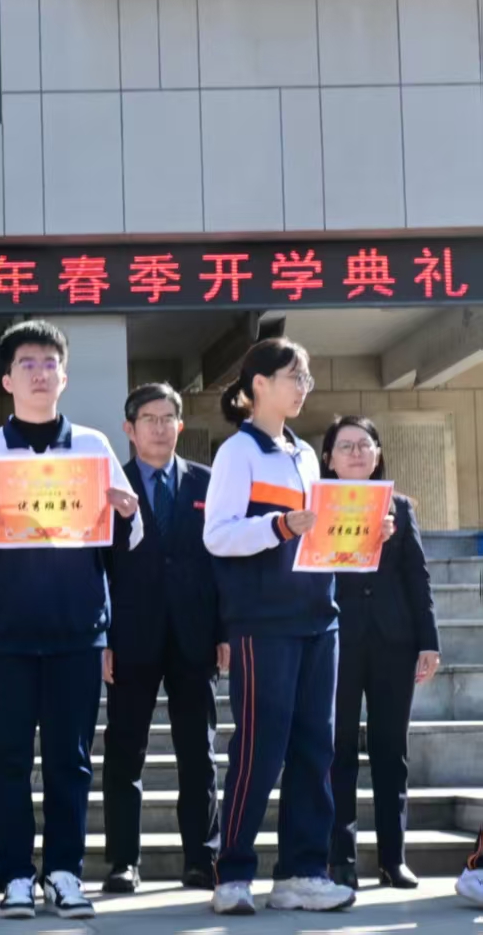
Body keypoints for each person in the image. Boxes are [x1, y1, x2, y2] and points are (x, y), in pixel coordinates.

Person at [0, 320, 142, 922]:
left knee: (71, 759)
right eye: (27, 363)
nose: (40, 373)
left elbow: (132, 536)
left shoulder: (93, 447)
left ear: (64, 377)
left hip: (77, 628)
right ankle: (16, 875)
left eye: (50, 363)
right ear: (7, 379)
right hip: (5, 633)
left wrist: (128, 512)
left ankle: (65, 872)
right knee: (7, 758)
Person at [202, 337, 368, 916]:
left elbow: (318, 537)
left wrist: (364, 535)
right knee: (259, 748)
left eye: (307, 378)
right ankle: (233, 874)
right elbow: (217, 535)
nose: (304, 387)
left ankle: (302, 872)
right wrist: (279, 525)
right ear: (259, 385)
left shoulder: (303, 454)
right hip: (263, 622)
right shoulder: (237, 452)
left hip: (319, 618)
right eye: (294, 376)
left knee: (315, 748)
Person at [100, 383, 223, 894]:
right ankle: (123, 862)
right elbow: (99, 564)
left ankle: (202, 859)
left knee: (198, 752)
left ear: (181, 425)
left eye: (167, 417)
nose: (158, 427)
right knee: (124, 752)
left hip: (196, 636)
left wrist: (225, 631)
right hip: (131, 636)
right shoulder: (110, 485)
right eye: (148, 419)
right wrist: (103, 637)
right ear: (129, 430)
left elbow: (223, 561)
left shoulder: (209, 482)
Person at [320, 415, 438, 890]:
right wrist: (359, 536)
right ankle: (341, 858)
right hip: (337, 639)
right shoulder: (315, 505)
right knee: (339, 751)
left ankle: (394, 858)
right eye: (345, 446)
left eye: (364, 445)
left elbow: (417, 577)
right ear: (328, 458)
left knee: (392, 750)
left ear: (377, 454)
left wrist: (428, 640)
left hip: (394, 641)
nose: (355, 453)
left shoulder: (401, 507)